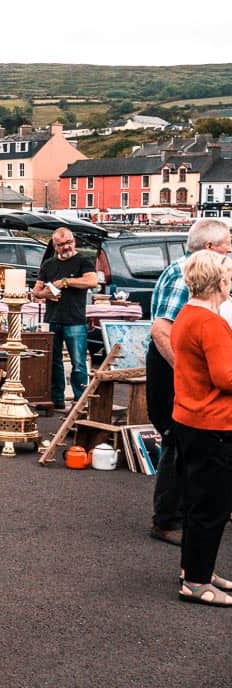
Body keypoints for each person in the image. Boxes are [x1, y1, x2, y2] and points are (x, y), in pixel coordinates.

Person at [145, 218, 232, 547]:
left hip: (187, 366)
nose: (230, 249)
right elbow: (161, 330)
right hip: (173, 367)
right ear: (211, 248)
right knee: (176, 442)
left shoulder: (204, 274)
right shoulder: (186, 273)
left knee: (191, 445)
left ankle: (202, 509)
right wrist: (189, 372)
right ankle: (167, 520)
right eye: (227, 244)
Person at [169, 249, 232, 607]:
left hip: (191, 419)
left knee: (197, 503)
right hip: (214, 424)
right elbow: (225, 376)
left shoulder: (187, 315)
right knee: (213, 506)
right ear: (218, 283)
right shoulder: (211, 322)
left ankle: (196, 570)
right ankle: (196, 581)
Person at [31, 228, 98, 411]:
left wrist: (66, 282)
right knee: (54, 362)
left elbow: (92, 281)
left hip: (75, 319)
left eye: (69, 242)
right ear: (55, 246)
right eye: (61, 245)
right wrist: (46, 293)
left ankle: (80, 401)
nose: (66, 247)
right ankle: (56, 398)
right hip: (53, 318)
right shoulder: (48, 265)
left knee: (78, 363)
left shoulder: (83, 261)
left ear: (74, 241)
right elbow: (36, 291)